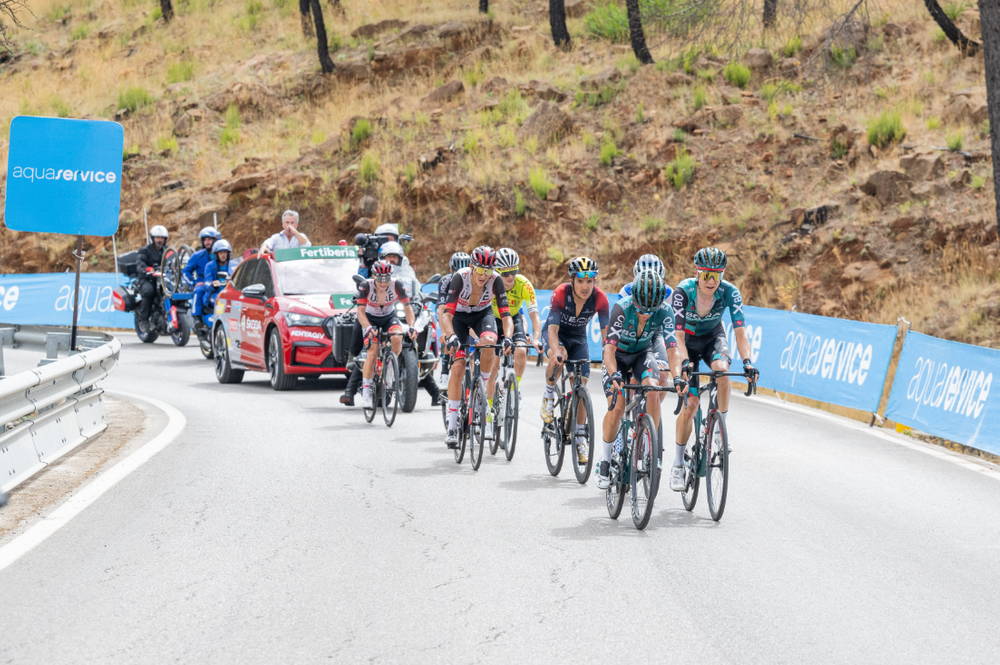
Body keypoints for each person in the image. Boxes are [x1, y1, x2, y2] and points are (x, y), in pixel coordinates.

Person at [668, 247, 759, 492]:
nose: (711, 281)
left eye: (716, 275)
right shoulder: (683, 292)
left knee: (723, 373)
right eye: (706, 275)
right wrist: (684, 363)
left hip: (712, 338)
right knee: (691, 405)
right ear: (696, 273)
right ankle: (677, 464)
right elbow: (677, 337)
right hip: (687, 342)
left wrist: (747, 362)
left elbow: (740, 333)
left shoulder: (730, 292)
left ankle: (719, 429)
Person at [597, 270, 673, 490]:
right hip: (618, 357)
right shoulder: (621, 308)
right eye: (641, 309)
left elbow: (673, 349)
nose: (646, 315)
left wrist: (678, 376)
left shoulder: (665, 311)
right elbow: (609, 350)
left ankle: (650, 450)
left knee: (653, 390)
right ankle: (605, 460)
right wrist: (614, 374)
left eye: (651, 310)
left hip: (641, 354)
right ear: (634, 300)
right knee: (618, 407)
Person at [440, 246, 513, 449]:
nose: (483, 275)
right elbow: (447, 315)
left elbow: (506, 316)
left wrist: (508, 337)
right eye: (480, 270)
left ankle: (482, 392)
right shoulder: (460, 278)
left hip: (482, 315)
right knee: (458, 365)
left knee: (490, 340)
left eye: (488, 270)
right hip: (459, 318)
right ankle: (452, 426)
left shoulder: (495, 280)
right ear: (472, 267)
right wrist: (451, 336)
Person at [540, 257, 610, 465]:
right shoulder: (561, 293)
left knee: (581, 386)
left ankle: (580, 437)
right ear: (572, 280)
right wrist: (556, 352)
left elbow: (607, 337)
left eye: (590, 281)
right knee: (559, 357)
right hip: (556, 334)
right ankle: (548, 396)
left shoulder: (601, 299)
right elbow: (552, 331)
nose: (585, 286)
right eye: (580, 281)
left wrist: (610, 356)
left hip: (578, 338)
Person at [484, 248, 543, 426]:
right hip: (494, 319)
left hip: (514, 317)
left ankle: (514, 388)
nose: (510, 277)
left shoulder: (524, 284)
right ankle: (488, 416)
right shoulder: (490, 284)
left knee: (521, 351)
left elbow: (534, 316)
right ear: (497, 272)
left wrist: (537, 338)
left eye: (514, 271)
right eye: (505, 273)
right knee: (493, 367)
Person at [355, 260, 417, 409]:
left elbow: (408, 308)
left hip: (389, 316)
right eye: (380, 278)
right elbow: (360, 312)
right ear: (373, 276)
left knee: (397, 336)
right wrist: (368, 328)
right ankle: (366, 392)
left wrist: (412, 326)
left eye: (386, 278)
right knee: (372, 352)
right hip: (370, 318)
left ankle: (389, 368)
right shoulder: (365, 286)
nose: (383, 282)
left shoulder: (396, 285)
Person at [619, 254, 675, 397]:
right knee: (634, 376)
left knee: (663, 374)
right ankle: (629, 406)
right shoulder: (626, 291)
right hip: (633, 335)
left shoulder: (669, 293)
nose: (650, 285)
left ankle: (652, 406)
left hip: (655, 333)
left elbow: (671, 328)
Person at [436, 252, 471, 390]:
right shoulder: (445, 282)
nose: (461, 277)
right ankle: (444, 372)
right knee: (447, 336)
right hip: (448, 311)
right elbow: (441, 310)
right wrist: (444, 333)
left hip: (465, 312)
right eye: (457, 273)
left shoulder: (474, 280)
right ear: (451, 271)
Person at [183, 226, 221, 330]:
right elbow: (186, 271)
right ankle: (197, 318)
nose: (207, 242)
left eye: (209, 239)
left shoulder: (223, 254)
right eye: (205, 240)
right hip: (203, 284)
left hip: (220, 284)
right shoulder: (197, 256)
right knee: (198, 291)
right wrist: (194, 283)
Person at [135, 225, 169, 331]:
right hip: (147, 279)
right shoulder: (144, 250)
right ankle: (143, 319)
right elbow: (139, 263)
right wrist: (146, 269)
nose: (160, 240)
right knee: (149, 291)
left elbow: (173, 260)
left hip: (163, 278)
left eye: (162, 238)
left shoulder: (168, 250)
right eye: (157, 237)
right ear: (152, 238)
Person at [202, 240, 236, 315]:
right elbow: (206, 282)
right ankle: (220, 319)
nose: (223, 255)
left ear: (228, 253)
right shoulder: (209, 266)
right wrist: (212, 284)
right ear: (216, 254)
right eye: (220, 253)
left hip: (231, 293)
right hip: (215, 293)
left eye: (225, 252)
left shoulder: (234, 265)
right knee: (221, 300)